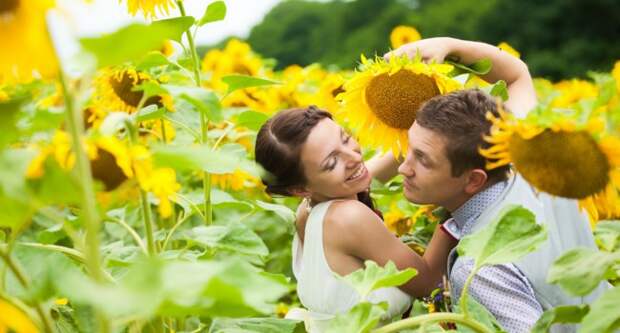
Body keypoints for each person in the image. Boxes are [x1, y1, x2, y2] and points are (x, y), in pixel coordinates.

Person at [391, 37, 609, 332]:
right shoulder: (540, 168)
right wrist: (447, 45)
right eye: (409, 150)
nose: (404, 168)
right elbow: (516, 76)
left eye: (423, 160)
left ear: (473, 180)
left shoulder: (479, 270)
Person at [254, 106, 458, 331]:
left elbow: (383, 163)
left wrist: (432, 127)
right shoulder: (348, 218)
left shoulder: (309, 208)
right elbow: (429, 283)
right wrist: (455, 198)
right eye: (332, 162)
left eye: (345, 138)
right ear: (300, 188)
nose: (354, 156)